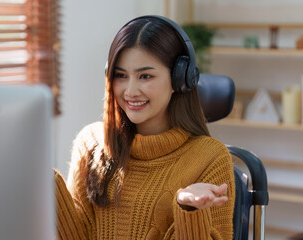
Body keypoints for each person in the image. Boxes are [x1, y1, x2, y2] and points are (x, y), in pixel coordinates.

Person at [54, 15, 235, 240]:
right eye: (121, 76)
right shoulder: (91, 143)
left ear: (179, 79)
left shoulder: (210, 158)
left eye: (145, 76)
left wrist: (190, 212)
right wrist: (43, 181)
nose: (130, 91)